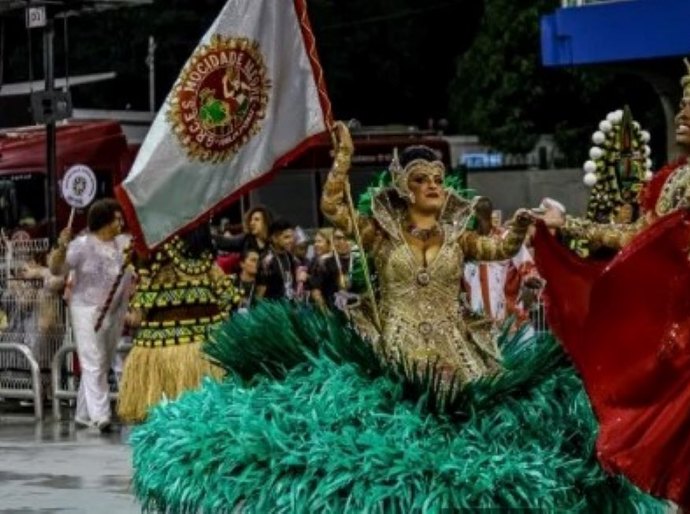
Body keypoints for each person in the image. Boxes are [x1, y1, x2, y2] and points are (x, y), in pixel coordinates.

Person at [127, 123, 663, 511]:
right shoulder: (380, 233)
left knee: (461, 429)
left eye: (438, 178)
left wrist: (523, 229)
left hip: (456, 346)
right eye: (425, 178)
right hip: (396, 344)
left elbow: (499, 252)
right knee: (398, 432)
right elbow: (334, 207)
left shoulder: (457, 234)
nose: (436, 185)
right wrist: (342, 157)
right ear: (407, 189)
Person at [532, 60, 690, 509]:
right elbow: (637, 238)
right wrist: (567, 225)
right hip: (675, 339)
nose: (681, 115)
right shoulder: (675, 179)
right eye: (679, 106)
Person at [116, 225, 232, 423]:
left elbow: (138, 315)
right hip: (207, 352)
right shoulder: (210, 269)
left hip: (161, 354)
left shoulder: (158, 267)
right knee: (207, 418)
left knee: (163, 417)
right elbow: (227, 299)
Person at [49, 198, 131, 433]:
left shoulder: (123, 243)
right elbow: (57, 269)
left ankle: (83, 414)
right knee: (93, 361)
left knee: (101, 363)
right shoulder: (81, 245)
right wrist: (62, 247)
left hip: (114, 311)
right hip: (85, 309)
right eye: (117, 218)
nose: (121, 222)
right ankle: (101, 416)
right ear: (105, 221)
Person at [310, 228, 355, 310]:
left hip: (357, 311)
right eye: (337, 238)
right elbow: (315, 290)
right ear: (332, 240)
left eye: (345, 238)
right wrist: (325, 312)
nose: (341, 242)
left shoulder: (359, 261)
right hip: (332, 311)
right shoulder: (324, 262)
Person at [256, 219, 301, 301]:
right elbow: (261, 288)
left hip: (288, 303)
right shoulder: (266, 260)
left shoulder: (289, 256)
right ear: (274, 238)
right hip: (272, 307)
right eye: (286, 237)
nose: (291, 240)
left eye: (292, 237)